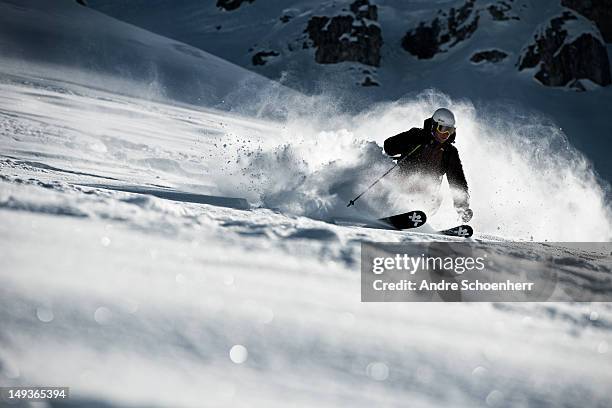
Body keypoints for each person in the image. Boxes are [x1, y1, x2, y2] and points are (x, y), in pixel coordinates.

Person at [383, 108, 473, 222]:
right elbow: (388, 148)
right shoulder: (416, 136)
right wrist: (410, 139)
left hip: (426, 194)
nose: (446, 134)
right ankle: (390, 210)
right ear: (434, 126)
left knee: (439, 197)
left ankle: (417, 221)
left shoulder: (450, 152)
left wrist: (463, 207)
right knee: (402, 183)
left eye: (450, 130)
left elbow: (458, 180)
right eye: (443, 129)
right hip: (401, 183)